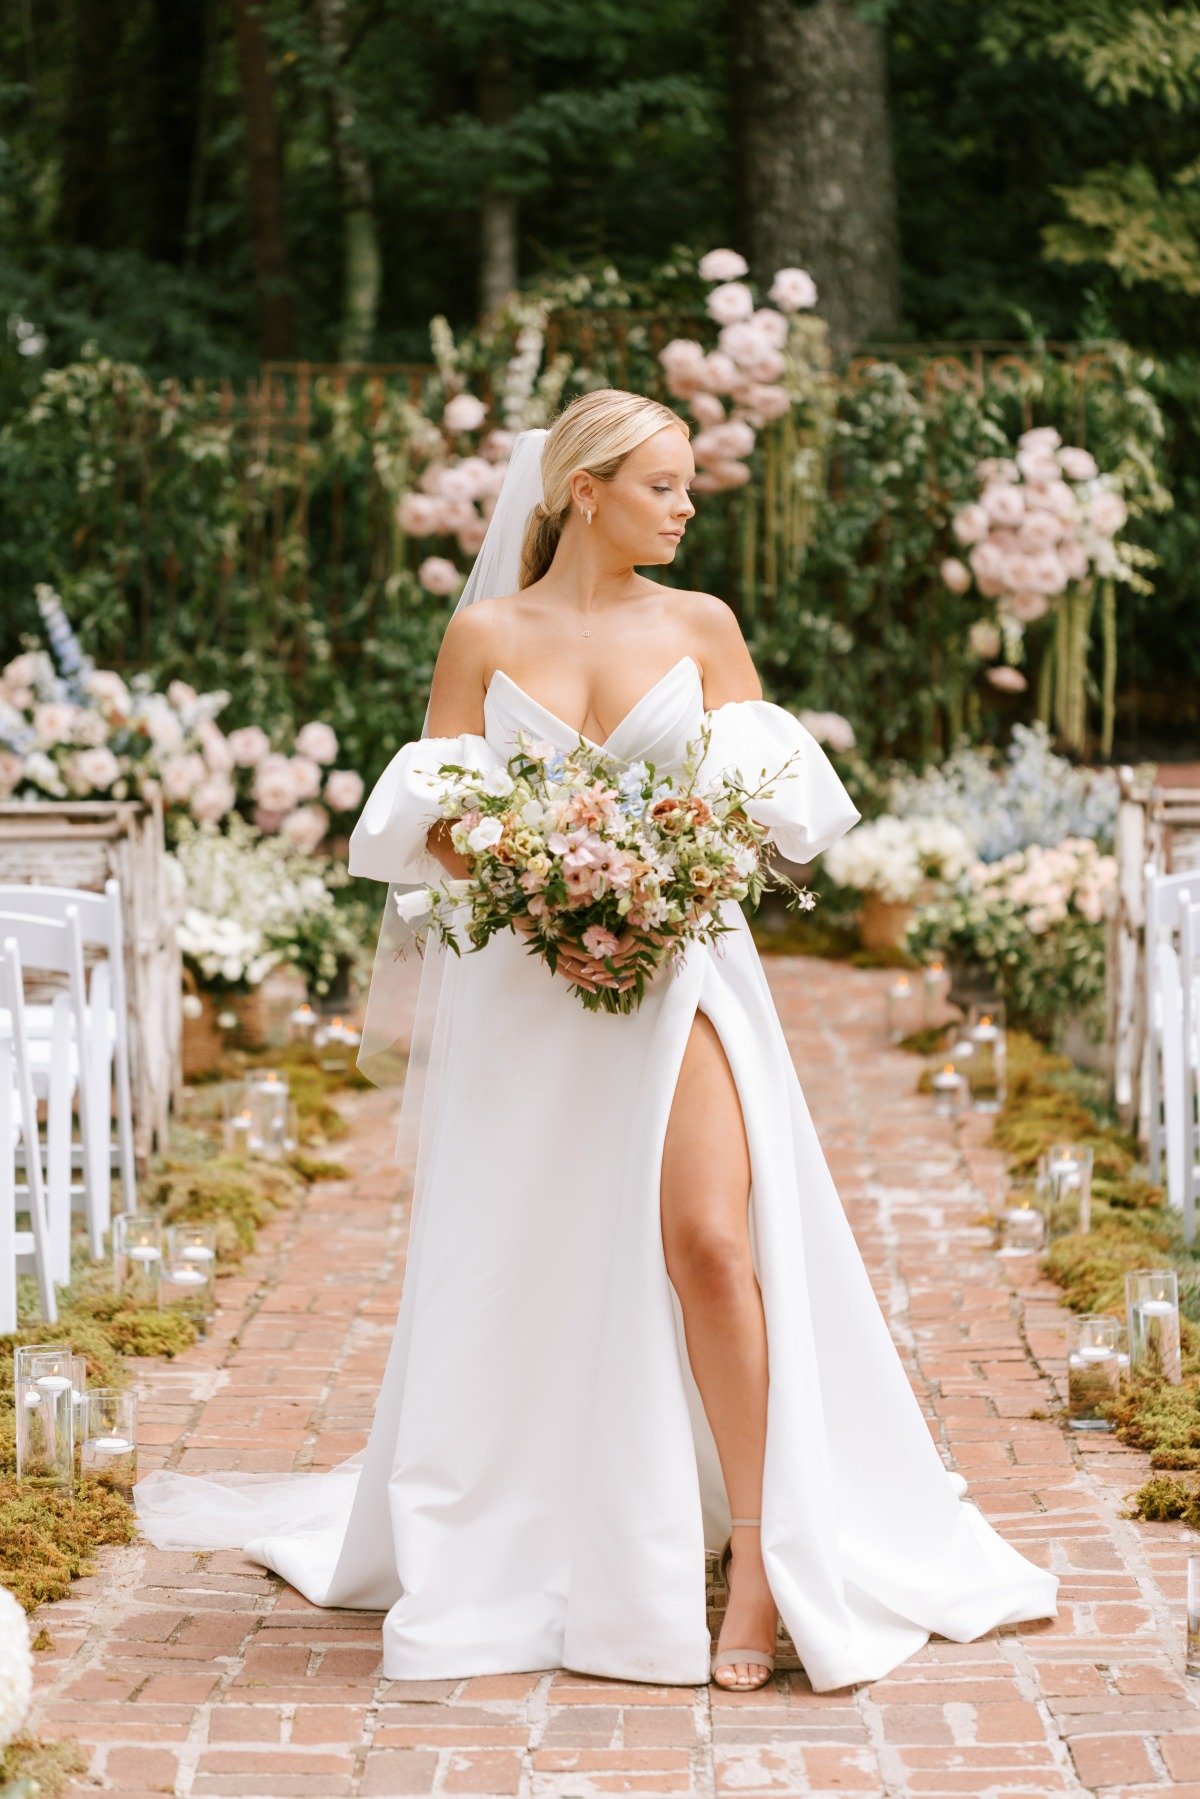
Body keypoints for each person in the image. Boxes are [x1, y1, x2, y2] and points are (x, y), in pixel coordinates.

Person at [134, 387, 1058, 1695]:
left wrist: (655, 884)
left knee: (716, 1248)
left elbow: (772, 816)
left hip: (683, 969)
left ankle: (760, 1562)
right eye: (665, 486)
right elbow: (437, 824)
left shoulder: (701, 627)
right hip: (531, 989)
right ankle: (540, 1526)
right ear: (586, 490)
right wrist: (547, 891)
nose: (686, 509)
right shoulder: (486, 632)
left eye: (687, 487)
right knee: (524, 1265)